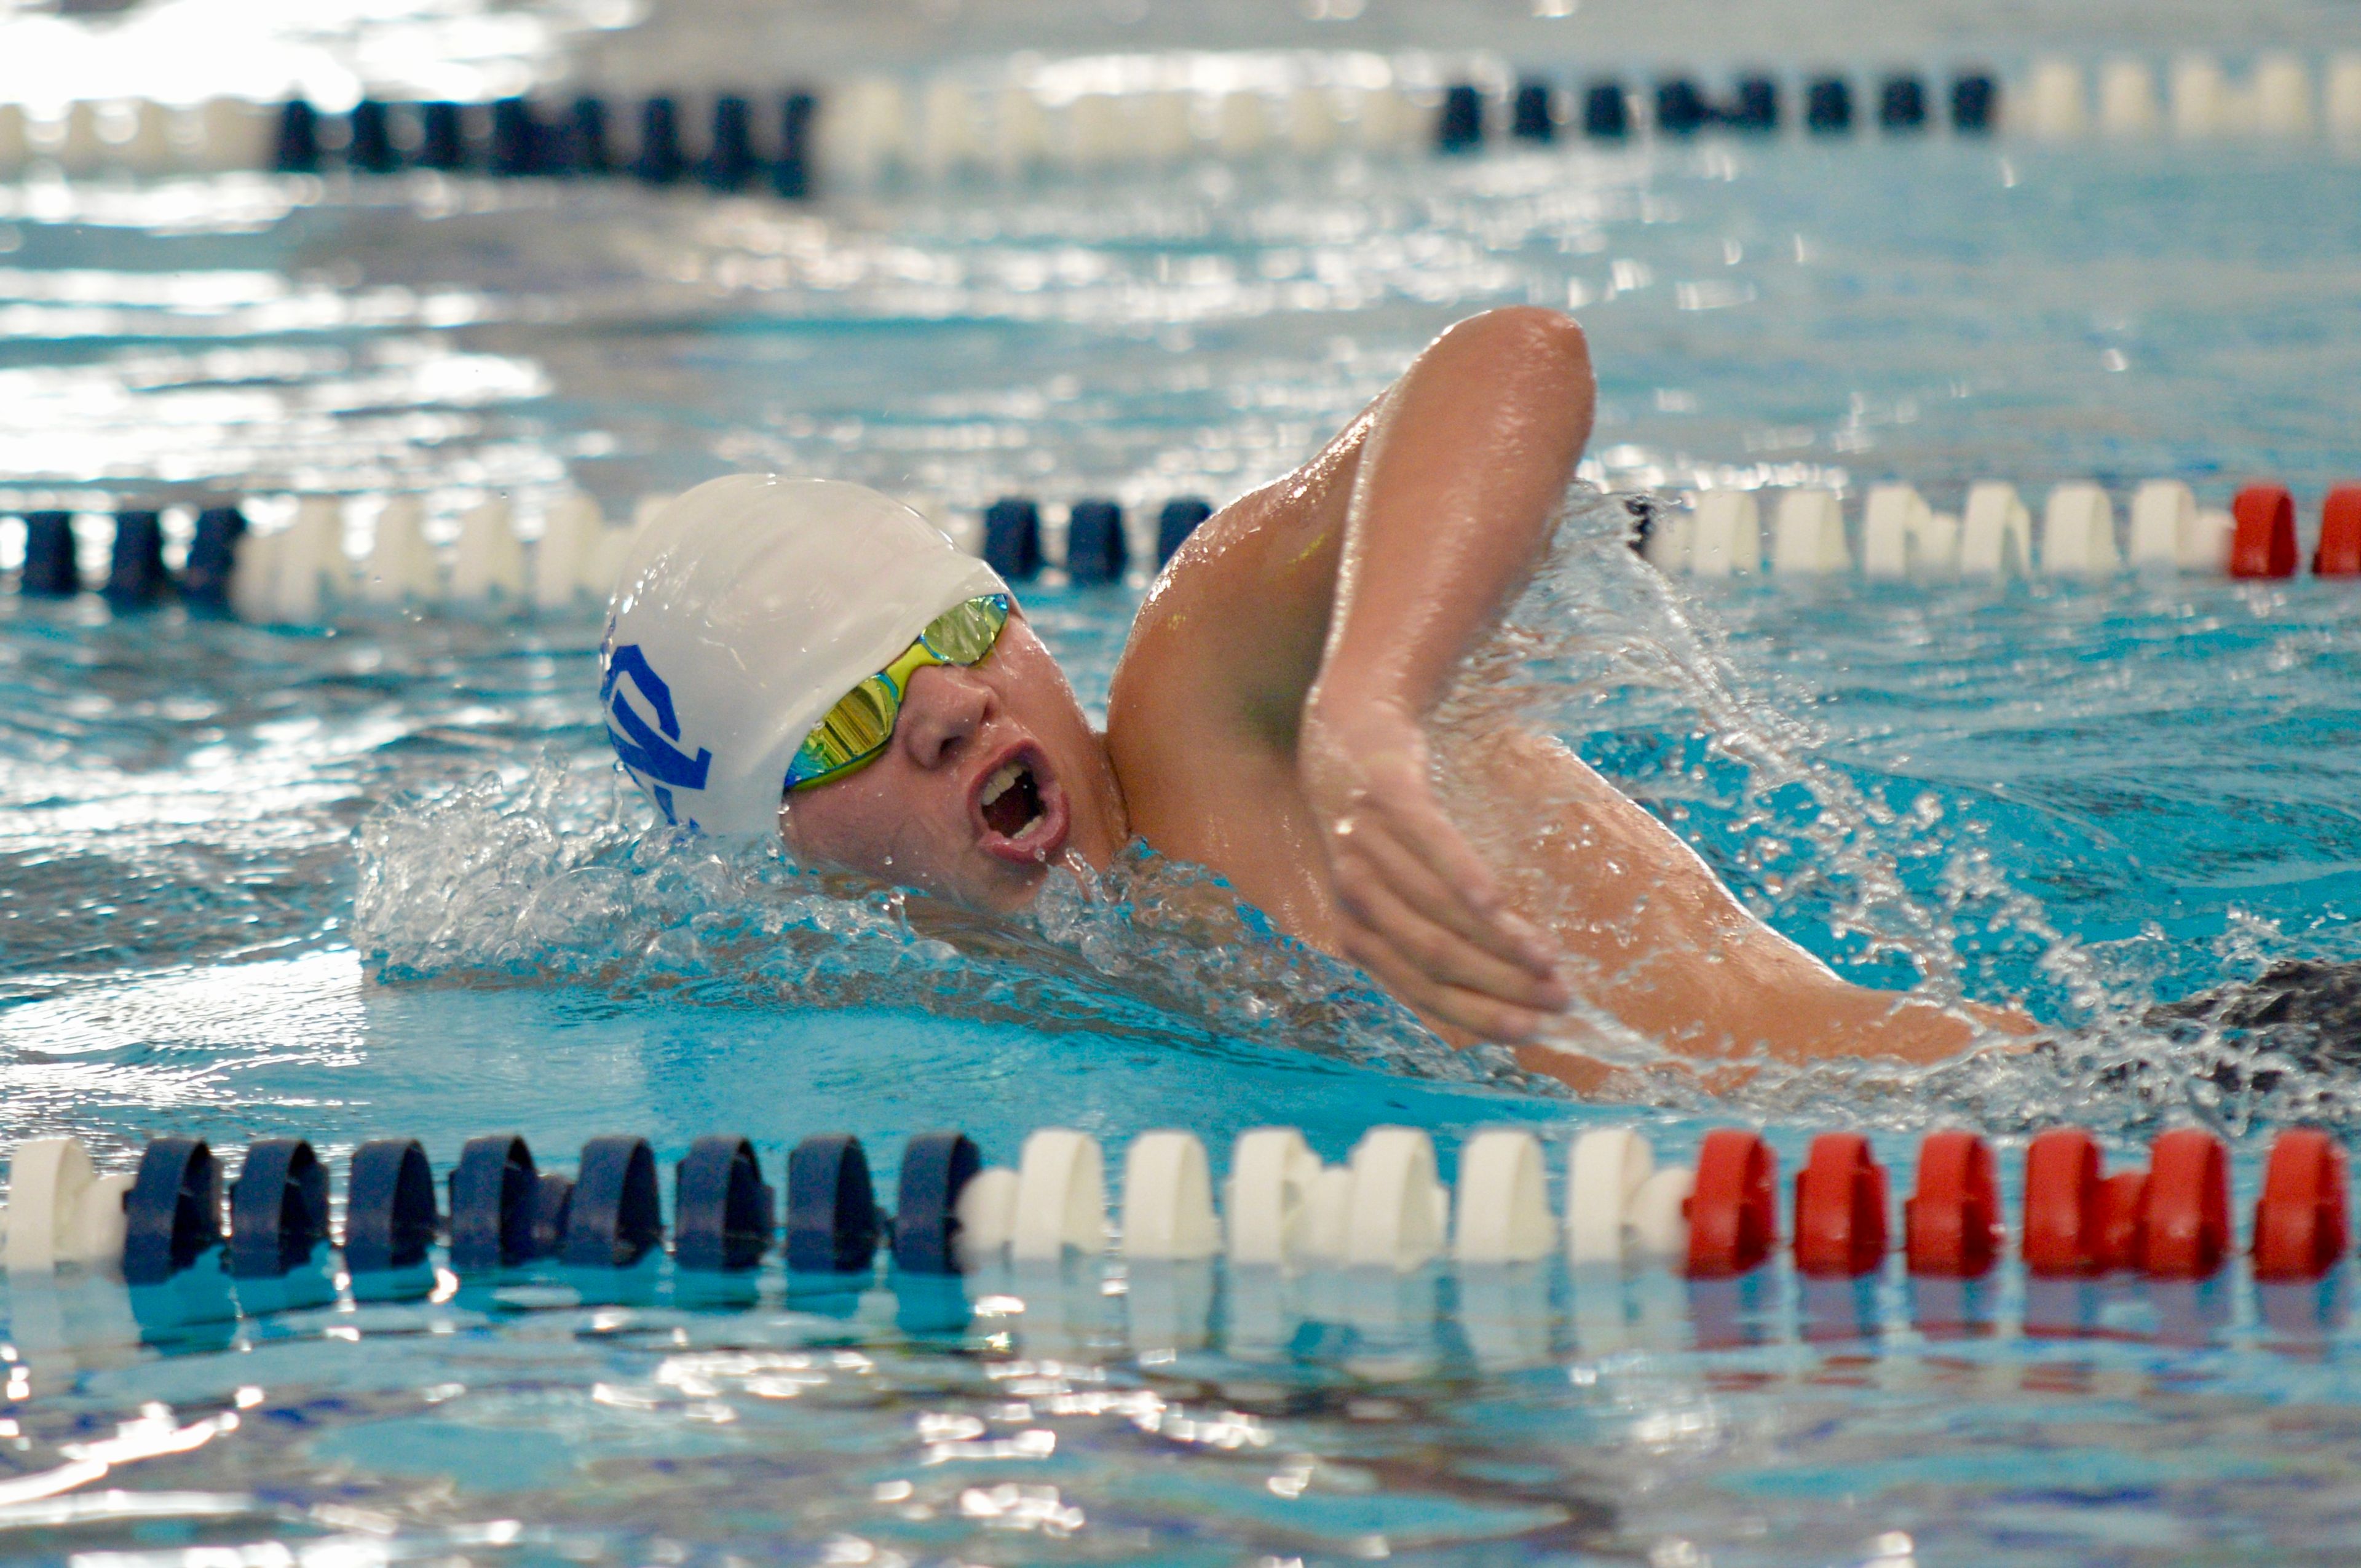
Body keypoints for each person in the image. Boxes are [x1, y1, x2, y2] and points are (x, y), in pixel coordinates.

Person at [600, 307, 2026, 1092]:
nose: (953, 707)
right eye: (849, 717)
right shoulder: (973, 987)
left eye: (966, 630)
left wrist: (1368, 705)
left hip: (2086, 1115)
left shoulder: (1210, 701)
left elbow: (1520, 356)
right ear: (785, 852)